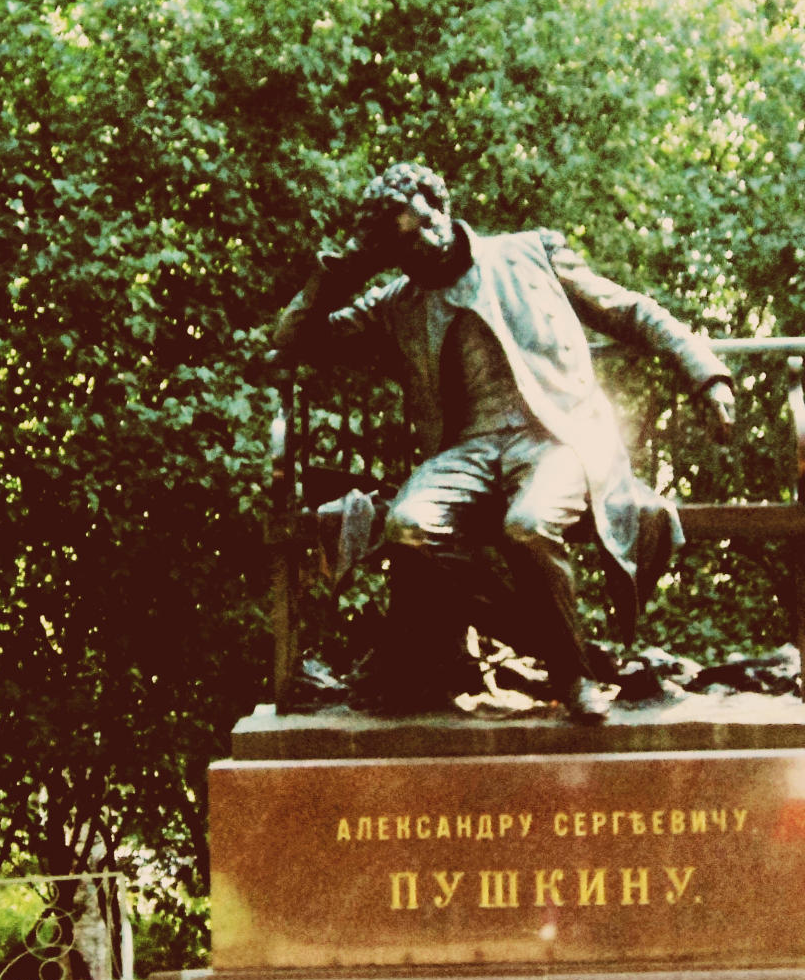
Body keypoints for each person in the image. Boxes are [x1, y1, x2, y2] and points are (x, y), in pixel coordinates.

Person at [271, 162, 736, 723]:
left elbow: (629, 310)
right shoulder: (396, 303)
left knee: (529, 524)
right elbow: (294, 341)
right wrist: (343, 266)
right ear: (389, 254)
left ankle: (572, 675)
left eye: (427, 221)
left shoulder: (531, 253)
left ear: (441, 205)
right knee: (409, 527)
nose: (427, 239)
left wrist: (705, 372)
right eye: (406, 241)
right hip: (464, 453)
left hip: (557, 437)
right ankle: (568, 653)